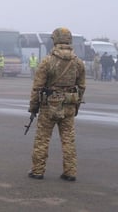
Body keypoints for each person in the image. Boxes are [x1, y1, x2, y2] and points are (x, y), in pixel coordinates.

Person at [28, 27, 86, 182]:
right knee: (68, 139)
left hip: (49, 106)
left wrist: (33, 107)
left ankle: (38, 171)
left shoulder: (47, 61)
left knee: (42, 139)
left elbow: (37, 87)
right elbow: (81, 87)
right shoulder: (78, 63)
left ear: (55, 40)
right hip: (69, 105)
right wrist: (76, 107)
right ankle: (70, 172)